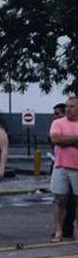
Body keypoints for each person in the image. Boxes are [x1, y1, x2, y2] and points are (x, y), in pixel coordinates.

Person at [49, 97, 78, 242]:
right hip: (60, 166)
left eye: (72, 106)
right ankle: (58, 231)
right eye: (67, 106)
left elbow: (61, 140)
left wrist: (65, 140)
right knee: (60, 199)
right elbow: (55, 139)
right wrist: (75, 140)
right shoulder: (57, 123)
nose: (68, 109)